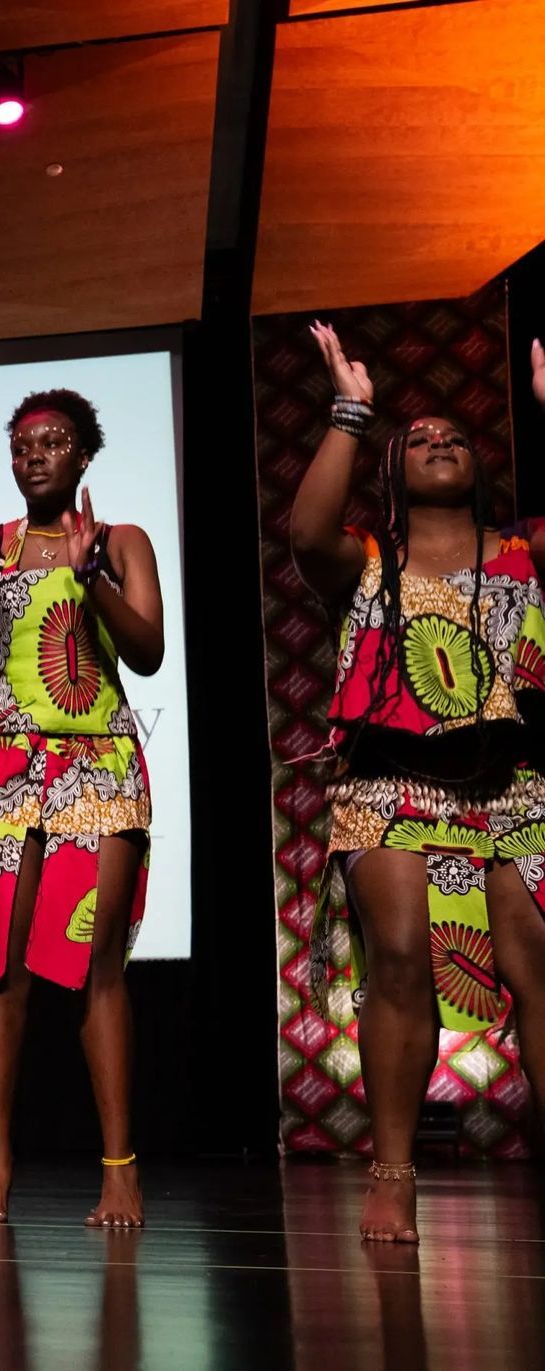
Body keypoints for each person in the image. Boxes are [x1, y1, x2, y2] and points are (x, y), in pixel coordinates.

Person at [289, 325, 545, 1243]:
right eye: (420, 436)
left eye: (457, 437)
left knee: (536, 963)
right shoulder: (364, 562)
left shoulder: (526, 550)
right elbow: (304, 529)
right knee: (399, 959)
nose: (441, 439)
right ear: (390, 473)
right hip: (390, 787)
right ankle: (391, 1172)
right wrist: (352, 412)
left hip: (513, 789)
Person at [0, 389, 162, 1228]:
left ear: (84, 455)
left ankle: (119, 1167)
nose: (35, 454)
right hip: (2, 768)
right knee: (1, 967)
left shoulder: (122, 540)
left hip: (98, 762)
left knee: (94, 968)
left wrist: (94, 578)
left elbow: (148, 650)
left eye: (54, 441)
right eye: (22, 443)